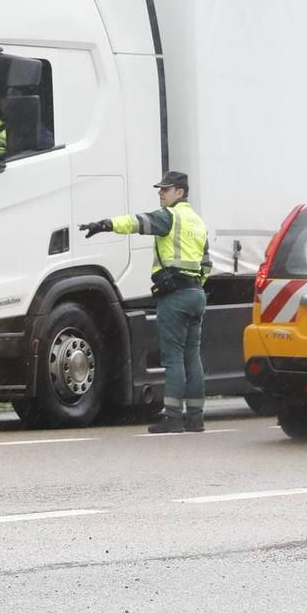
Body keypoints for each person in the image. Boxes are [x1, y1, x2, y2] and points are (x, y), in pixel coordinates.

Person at [79, 170, 211, 433]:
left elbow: (138, 222)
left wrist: (104, 224)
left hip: (175, 297)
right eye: (160, 189)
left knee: (173, 359)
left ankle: (173, 418)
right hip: (196, 294)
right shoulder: (198, 222)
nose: (160, 193)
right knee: (192, 358)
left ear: (180, 193)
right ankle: (195, 418)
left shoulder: (170, 217)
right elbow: (206, 264)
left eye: (166, 189)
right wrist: (195, 286)